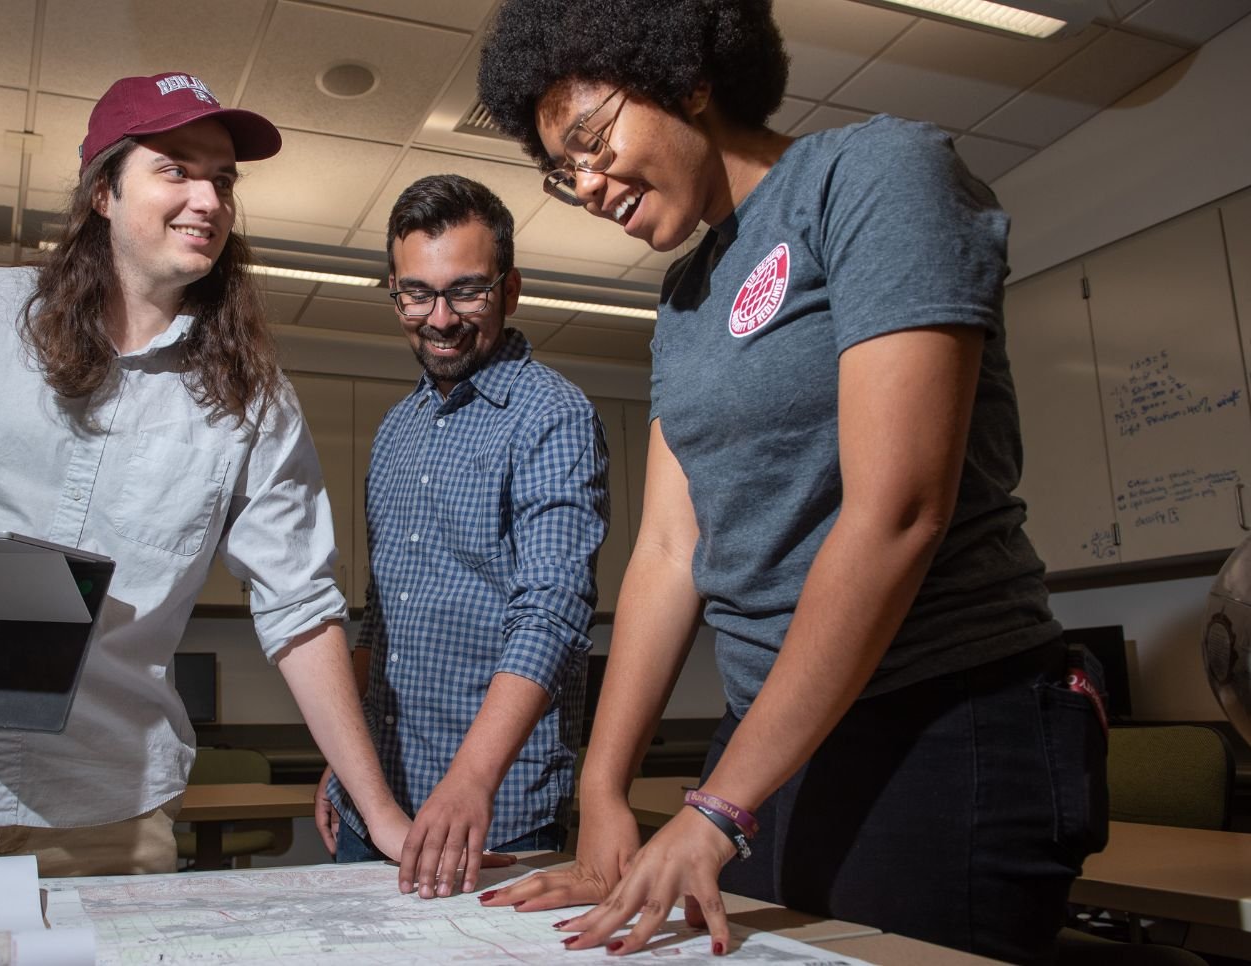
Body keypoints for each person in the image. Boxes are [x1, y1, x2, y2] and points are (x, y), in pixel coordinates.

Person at [473, 2, 1107, 962]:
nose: (589, 185)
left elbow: (898, 512)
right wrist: (604, 792)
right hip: (770, 747)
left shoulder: (874, 174)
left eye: (595, 142)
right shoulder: (684, 299)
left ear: (687, 74)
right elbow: (668, 549)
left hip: (941, 719)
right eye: (565, 173)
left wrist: (719, 805)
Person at [0, 71, 412, 877]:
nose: (208, 199)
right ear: (103, 192)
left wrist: (381, 813)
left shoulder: (254, 399)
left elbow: (299, 608)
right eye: (175, 169)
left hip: (105, 801)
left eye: (222, 179)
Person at [315, 175, 610, 899]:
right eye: (416, 293)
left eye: (466, 291)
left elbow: (552, 611)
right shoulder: (395, 431)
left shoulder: (553, 415)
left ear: (510, 290)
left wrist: (469, 779)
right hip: (375, 802)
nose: (439, 318)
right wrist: (346, 757)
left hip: (491, 814)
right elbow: (377, 615)